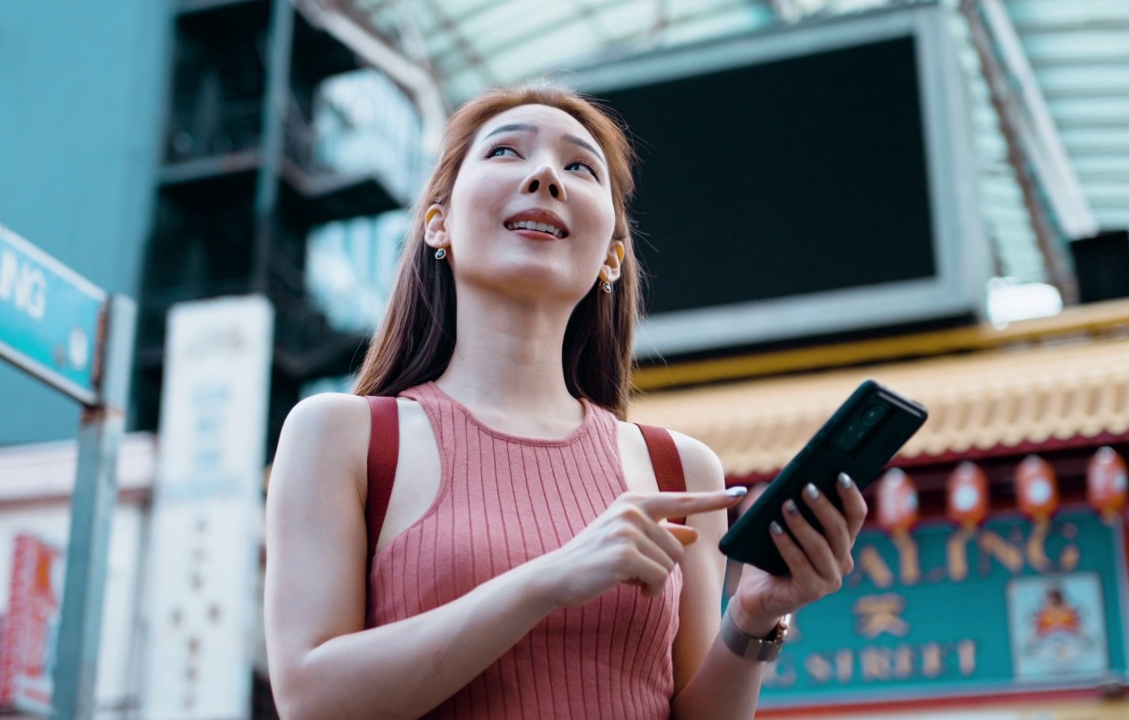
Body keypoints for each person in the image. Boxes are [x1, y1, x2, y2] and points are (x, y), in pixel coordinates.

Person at [264, 81, 867, 720]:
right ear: (437, 223)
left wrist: (751, 621)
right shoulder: (345, 438)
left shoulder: (678, 469)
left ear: (611, 256)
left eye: (580, 167)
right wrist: (549, 579)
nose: (546, 176)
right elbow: (310, 698)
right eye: (505, 153)